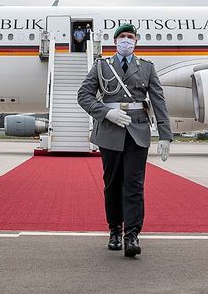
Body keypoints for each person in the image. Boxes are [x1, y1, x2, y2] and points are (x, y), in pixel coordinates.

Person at [77, 23, 172, 258]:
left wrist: (165, 135)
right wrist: (105, 112)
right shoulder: (101, 66)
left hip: (137, 131)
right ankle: (114, 231)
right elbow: (84, 95)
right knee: (112, 185)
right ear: (115, 41)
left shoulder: (147, 67)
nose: (126, 41)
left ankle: (132, 235)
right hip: (110, 131)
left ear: (136, 41)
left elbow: (158, 101)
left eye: (130, 37)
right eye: (122, 37)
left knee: (134, 186)